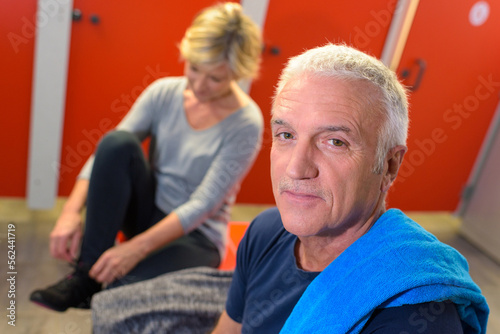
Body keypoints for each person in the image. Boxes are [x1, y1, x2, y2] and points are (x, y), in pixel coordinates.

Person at [211, 44, 489, 333]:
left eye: (335, 142)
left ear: (389, 165)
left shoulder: (413, 318)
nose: (296, 168)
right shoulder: (264, 232)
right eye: (286, 134)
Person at [30, 2, 264, 312]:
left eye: (216, 79)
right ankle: (85, 277)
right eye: (194, 68)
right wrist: (70, 212)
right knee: (117, 142)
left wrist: (133, 251)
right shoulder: (164, 92)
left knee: (118, 295)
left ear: (239, 72)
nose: (199, 85)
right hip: (148, 210)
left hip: (196, 236)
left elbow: (203, 204)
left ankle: (101, 285)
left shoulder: (247, 123)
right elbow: (108, 154)